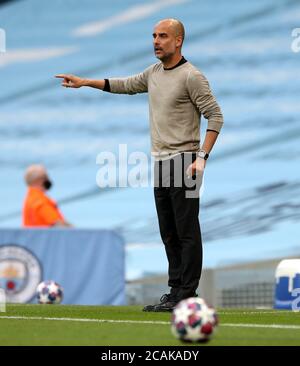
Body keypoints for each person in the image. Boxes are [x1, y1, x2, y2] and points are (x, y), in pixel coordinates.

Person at [55, 18, 223, 311]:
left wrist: (201, 158)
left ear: (178, 40)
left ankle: (187, 292)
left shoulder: (191, 76)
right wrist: (85, 82)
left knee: (186, 231)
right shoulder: (154, 72)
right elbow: (124, 85)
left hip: (184, 162)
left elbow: (216, 116)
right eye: (154, 36)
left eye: (163, 36)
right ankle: (175, 291)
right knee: (167, 231)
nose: (156, 41)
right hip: (160, 162)